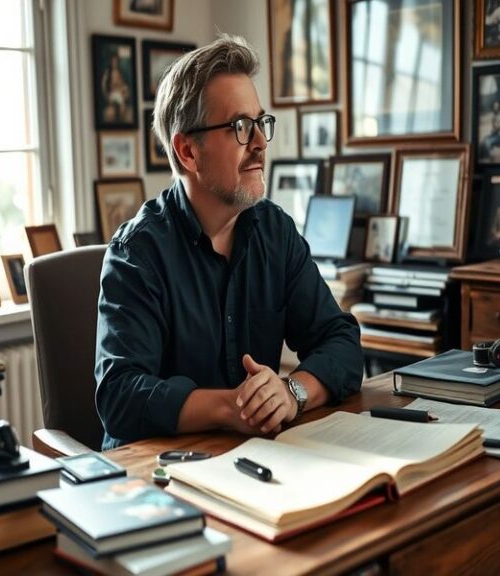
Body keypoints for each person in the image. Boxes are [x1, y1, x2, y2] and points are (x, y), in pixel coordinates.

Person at [95, 35, 363, 449]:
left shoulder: (276, 232)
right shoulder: (137, 254)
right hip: (156, 478)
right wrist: (233, 407)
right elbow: (120, 395)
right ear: (187, 151)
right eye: (240, 126)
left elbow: (342, 342)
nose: (260, 143)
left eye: (261, 123)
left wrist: (293, 394)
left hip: (257, 463)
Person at [101, 55, 131, 124]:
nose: (115, 63)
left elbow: (121, 83)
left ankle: (122, 119)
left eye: (116, 61)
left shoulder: (118, 72)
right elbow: (108, 86)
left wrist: (123, 88)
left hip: (118, 91)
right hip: (113, 93)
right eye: (113, 61)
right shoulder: (108, 73)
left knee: (124, 96)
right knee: (121, 101)